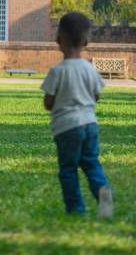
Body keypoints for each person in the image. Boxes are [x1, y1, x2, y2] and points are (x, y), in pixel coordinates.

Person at [41, 12, 113, 217]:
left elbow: (48, 103)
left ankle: (76, 209)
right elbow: (96, 95)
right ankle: (102, 190)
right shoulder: (90, 70)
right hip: (90, 124)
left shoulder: (57, 71)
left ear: (58, 40)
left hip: (66, 128)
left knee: (68, 169)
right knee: (91, 162)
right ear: (86, 41)